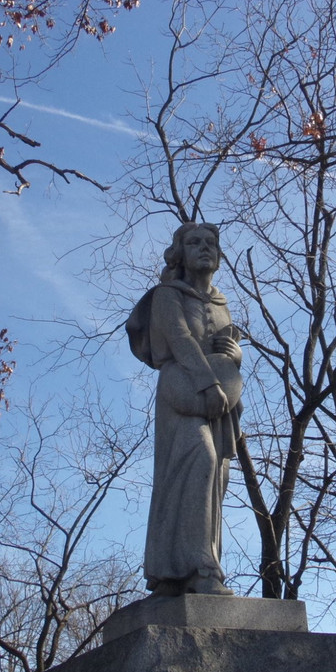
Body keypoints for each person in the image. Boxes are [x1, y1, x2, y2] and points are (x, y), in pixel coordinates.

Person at [126, 222, 243, 596]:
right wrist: (208, 384)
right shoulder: (167, 295)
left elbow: (227, 347)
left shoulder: (221, 304)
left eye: (211, 243)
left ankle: (193, 570)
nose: (204, 248)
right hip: (183, 394)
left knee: (215, 478)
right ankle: (196, 568)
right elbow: (179, 339)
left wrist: (235, 355)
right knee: (197, 461)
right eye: (194, 242)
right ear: (180, 253)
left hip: (219, 404)